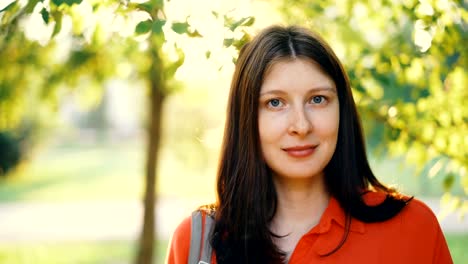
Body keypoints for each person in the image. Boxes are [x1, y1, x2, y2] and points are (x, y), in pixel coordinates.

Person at [166, 25, 453, 264]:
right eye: (275, 103)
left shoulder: (413, 229)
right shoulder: (197, 243)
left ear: (342, 109)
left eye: (318, 99)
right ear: (246, 118)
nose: (301, 126)